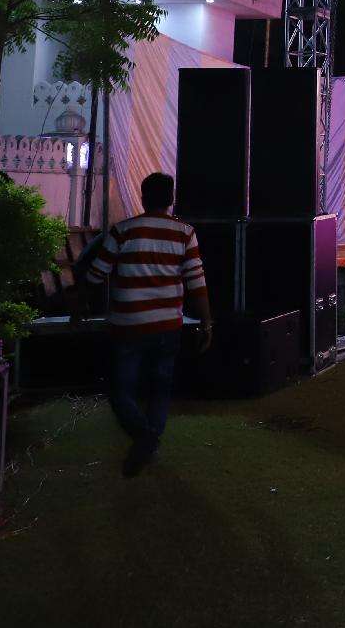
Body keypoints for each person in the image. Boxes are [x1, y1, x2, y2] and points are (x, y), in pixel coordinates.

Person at [77, 172, 211, 475]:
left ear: (142, 197)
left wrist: (79, 304)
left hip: (128, 325)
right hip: (168, 325)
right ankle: (149, 439)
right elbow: (197, 282)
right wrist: (207, 322)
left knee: (120, 389)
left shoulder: (123, 231)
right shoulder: (185, 233)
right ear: (171, 199)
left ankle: (144, 436)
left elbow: (96, 274)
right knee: (160, 388)